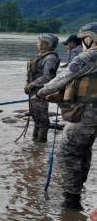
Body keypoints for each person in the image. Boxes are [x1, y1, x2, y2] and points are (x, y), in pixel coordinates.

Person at [37, 22, 97, 210]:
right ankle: (75, 196)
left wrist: (41, 93)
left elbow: (63, 78)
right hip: (90, 112)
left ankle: (71, 200)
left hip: (87, 114)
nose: (81, 42)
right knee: (83, 152)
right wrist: (62, 96)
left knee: (68, 154)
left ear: (90, 38)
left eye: (82, 38)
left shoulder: (90, 55)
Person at [24, 33, 60, 142]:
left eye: (40, 42)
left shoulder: (50, 58)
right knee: (35, 117)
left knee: (42, 120)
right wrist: (28, 85)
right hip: (33, 92)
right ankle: (36, 147)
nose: (38, 43)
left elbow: (47, 77)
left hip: (42, 93)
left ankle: (41, 143)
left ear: (47, 44)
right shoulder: (40, 56)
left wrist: (32, 85)